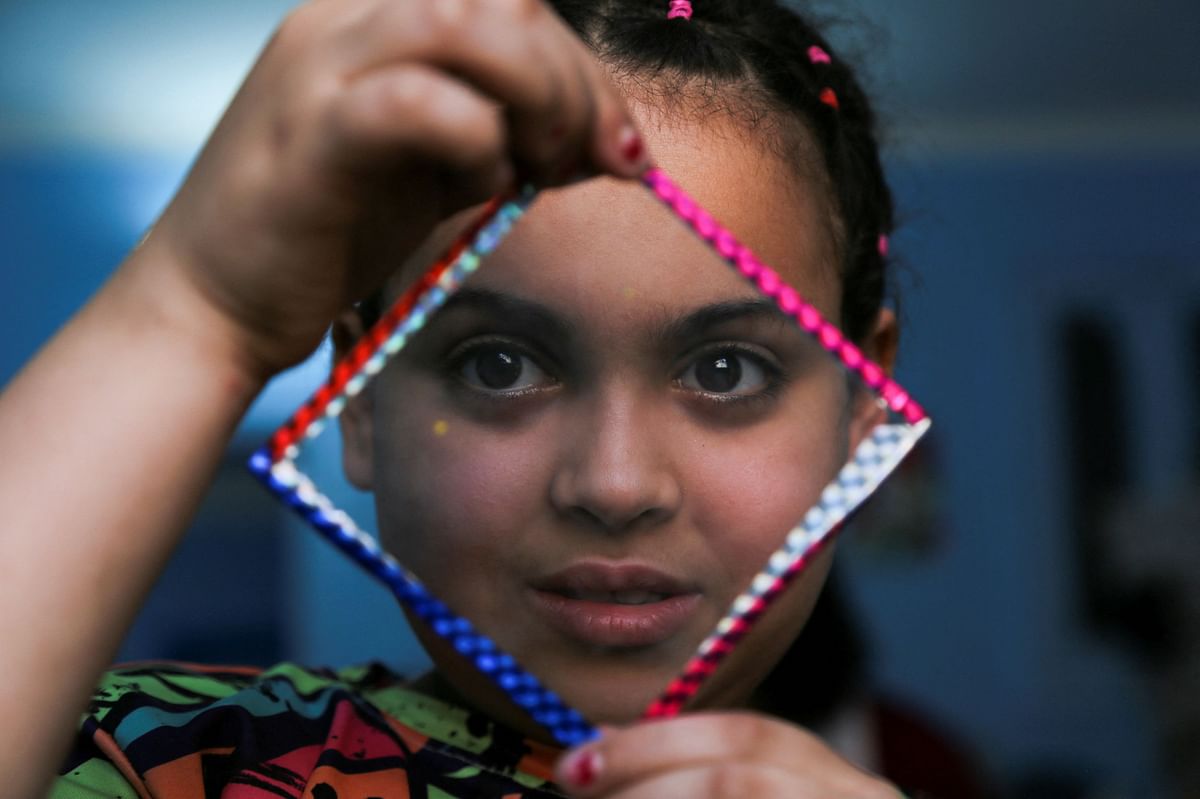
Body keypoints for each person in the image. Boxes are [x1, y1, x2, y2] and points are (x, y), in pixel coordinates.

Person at [0, 1, 909, 796]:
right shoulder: (170, 759)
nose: (615, 482)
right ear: (359, 396)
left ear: (863, 410)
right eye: (499, 365)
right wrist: (193, 312)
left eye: (725, 371)